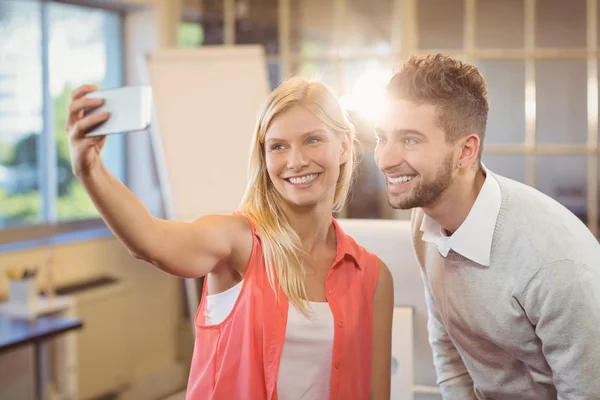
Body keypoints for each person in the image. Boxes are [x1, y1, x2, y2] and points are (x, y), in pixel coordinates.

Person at [66, 77, 394, 400]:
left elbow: (376, 393)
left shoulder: (373, 276)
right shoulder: (239, 241)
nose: (296, 161)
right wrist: (90, 170)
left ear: (345, 146)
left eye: (312, 140)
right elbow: (152, 242)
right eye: (279, 146)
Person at [373, 53, 600, 399]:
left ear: (465, 151)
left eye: (410, 140)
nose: (385, 159)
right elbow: (449, 350)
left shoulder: (552, 263)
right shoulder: (425, 221)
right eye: (381, 137)